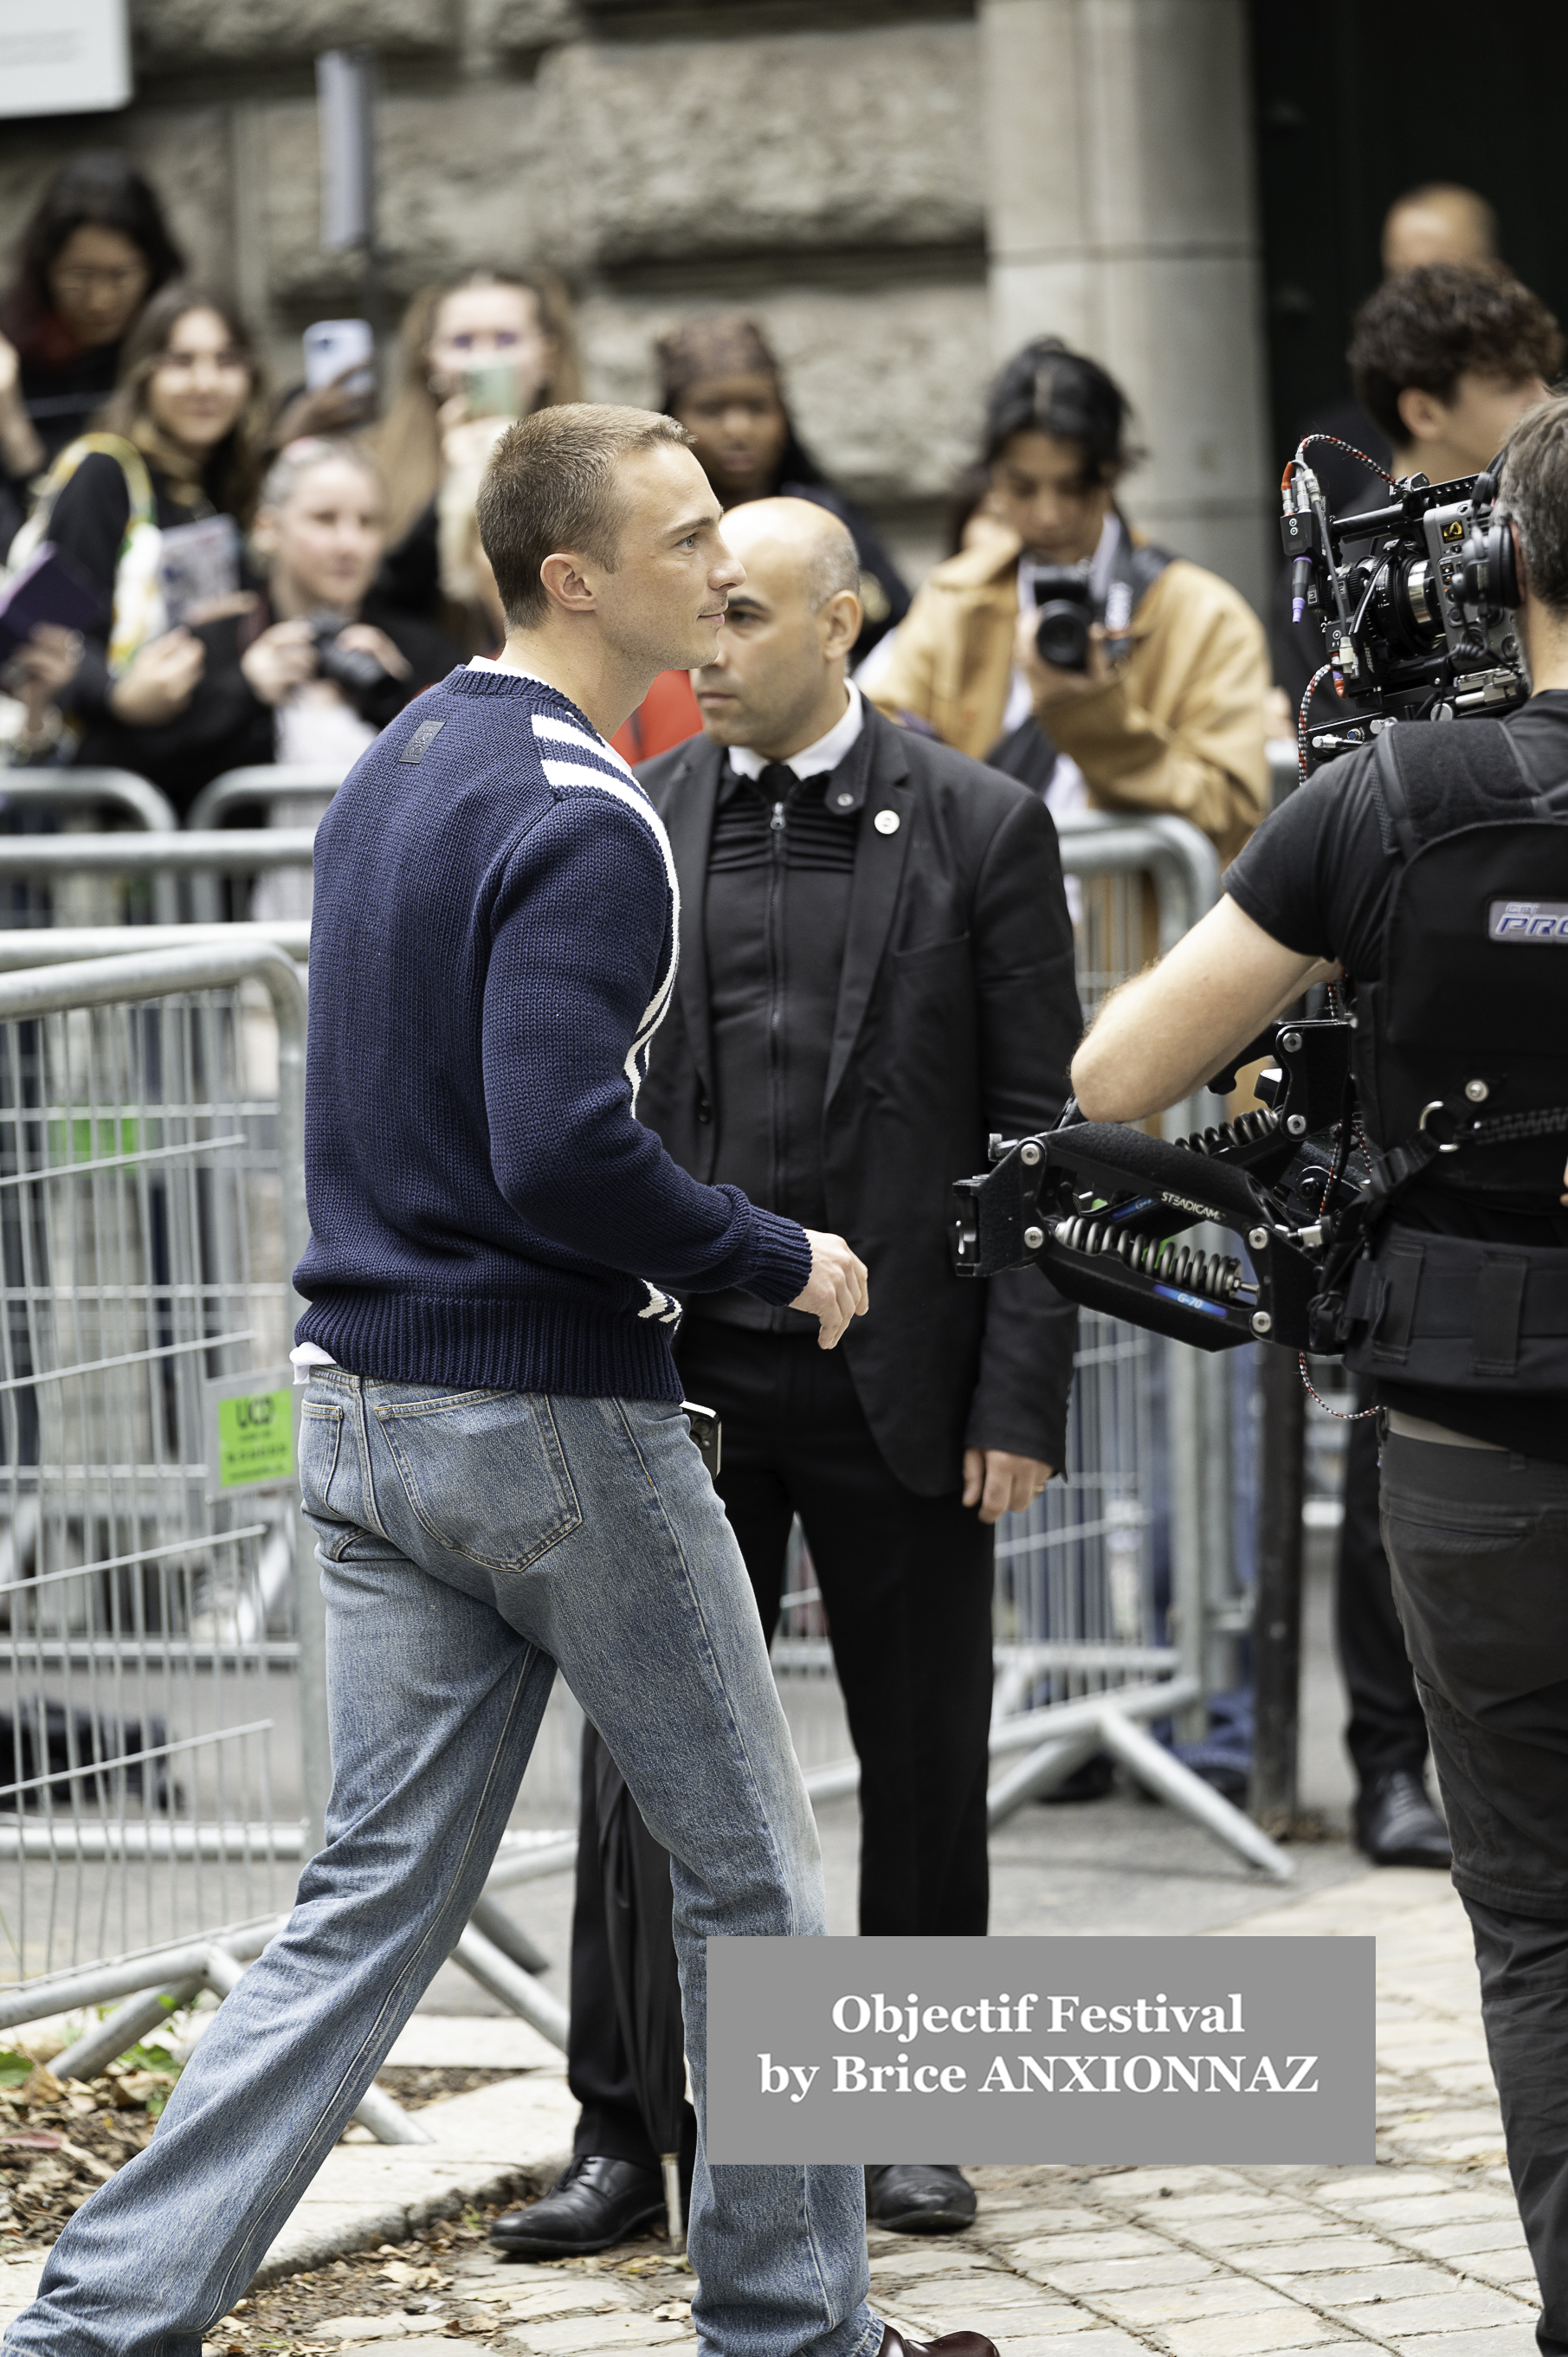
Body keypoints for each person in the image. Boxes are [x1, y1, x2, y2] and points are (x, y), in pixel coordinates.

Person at [1, 400, 1000, 2357]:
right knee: (757, 1878)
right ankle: (792, 2327)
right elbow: (554, 1142)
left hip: (370, 1409)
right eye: (689, 530)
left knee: (360, 1909)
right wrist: (768, 1252)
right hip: (547, 1416)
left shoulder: (404, 760)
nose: (724, 562)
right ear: (575, 575)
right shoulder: (581, 806)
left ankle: (88, 2324)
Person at [500, 495, 1080, 2260]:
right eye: (701, 608)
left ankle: (906, 2114)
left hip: (906, 1368)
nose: (707, 642)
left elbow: (1039, 1134)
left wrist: (1015, 1395)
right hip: (683, 1372)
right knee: (643, 1766)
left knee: (917, 1751)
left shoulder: (981, 827)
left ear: (843, 621)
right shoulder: (635, 820)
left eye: (742, 612)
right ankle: (626, 2130)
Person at [1066, 390, 1568, 2351]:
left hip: (1461, 1436)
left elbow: (1116, 1075)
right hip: (1459, 1411)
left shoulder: (1383, 798)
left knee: (1529, 1905)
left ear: (1499, 561)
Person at [870, 338, 1269, 867]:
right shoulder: (954, 599)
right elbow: (882, 755)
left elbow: (1232, 812)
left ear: (1112, 473)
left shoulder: (1206, 617)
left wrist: (1086, 714)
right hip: (986, 933)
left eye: (1074, 487)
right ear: (993, 478)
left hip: (1140, 941)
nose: (1049, 514)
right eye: (1022, 487)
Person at [72, 436, 458, 820]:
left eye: (368, 522)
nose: (349, 543)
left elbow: (464, 782)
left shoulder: (416, 651)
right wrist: (243, 693)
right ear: (268, 527)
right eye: (324, 519)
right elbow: (107, 781)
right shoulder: (208, 646)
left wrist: (402, 702)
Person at [610, 314, 913, 765]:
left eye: (757, 408)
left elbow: (894, 630)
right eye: (713, 410)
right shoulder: (643, 530)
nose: (738, 429)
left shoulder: (822, 519)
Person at [1275, 264, 1561, 725]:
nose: (1545, 399)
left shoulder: (1554, 515)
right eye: (1511, 384)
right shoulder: (1335, 575)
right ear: (1424, 412)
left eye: (1542, 375)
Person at [11, 282, 270, 763]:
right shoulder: (105, 474)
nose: (205, 383)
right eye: (180, 361)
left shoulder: (231, 485)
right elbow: (50, 633)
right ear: (143, 375)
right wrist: (116, 694)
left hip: (196, 759)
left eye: (227, 361)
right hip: (104, 779)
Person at [371, 268, 581, 631]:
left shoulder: (601, 459)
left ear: (547, 356)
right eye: (462, 343)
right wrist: (457, 480)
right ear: (429, 361)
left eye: (506, 339)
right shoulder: (373, 464)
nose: (483, 360)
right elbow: (385, 598)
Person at [0, 151, 184, 550]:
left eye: (121, 276)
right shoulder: (14, 357)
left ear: (153, 268)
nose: (100, 301)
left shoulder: (176, 359)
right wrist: (13, 427)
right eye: (79, 277)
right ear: (45, 269)